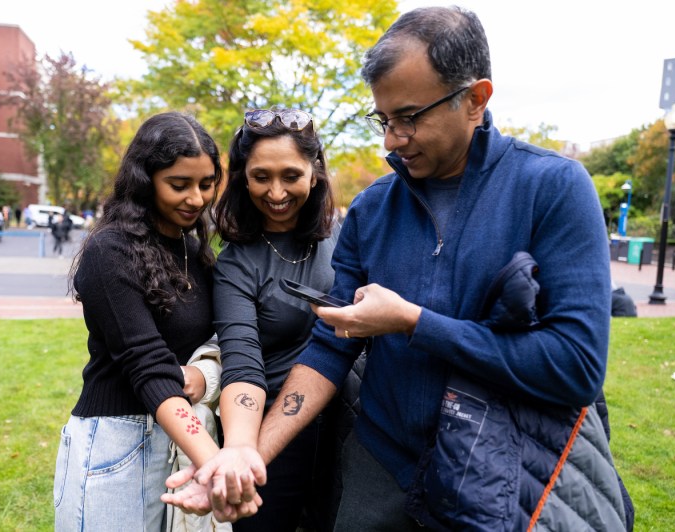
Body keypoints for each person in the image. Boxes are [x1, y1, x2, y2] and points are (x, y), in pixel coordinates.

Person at [171, 6, 632, 531]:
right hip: (381, 470)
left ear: (476, 99)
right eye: (384, 120)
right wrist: (251, 456)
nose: (391, 140)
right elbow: (330, 345)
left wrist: (414, 322)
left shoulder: (554, 188)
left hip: (500, 473)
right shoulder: (373, 209)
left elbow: (575, 366)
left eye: (409, 117)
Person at [53, 112, 257, 530]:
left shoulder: (197, 250)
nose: (196, 199)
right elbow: (147, 365)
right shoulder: (111, 252)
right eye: (179, 185)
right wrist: (216, 464)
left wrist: (205, 374)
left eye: (206, 184)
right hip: (117, 445)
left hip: (181, 438)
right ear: (146, 181)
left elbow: (217, 341)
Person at [192, 108, 339, 532]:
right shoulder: (236, 263)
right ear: (243, 178)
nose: (276, 192)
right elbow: (242, 359)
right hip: (269, 432)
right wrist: (240, 446)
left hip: (343, 427)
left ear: (314, 173)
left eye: (290, 175)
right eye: (261, 176)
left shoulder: (342, 240)